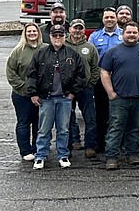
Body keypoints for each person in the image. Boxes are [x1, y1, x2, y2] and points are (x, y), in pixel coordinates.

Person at [99, 22, 139, 170]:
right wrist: (110, 92)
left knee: (135, 128)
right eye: (129, 33)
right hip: (119, 98)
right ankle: (112, 157)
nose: (132, 35)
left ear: (138, 34)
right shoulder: (113, 52)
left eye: (134, 32)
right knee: (116, 128)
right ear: (122, 34)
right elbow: (104, 72)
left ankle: (132, 154)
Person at [27, 24, 88, 170]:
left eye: (60, 35)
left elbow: (81, 75)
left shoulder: (73, 54)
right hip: (46, 98)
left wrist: (73, 92)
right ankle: (40, 156)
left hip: (64, 98)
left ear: (64, 36)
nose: (58, 38)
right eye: (55, 35)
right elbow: (32, 74)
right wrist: (33, 93)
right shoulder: (40, 54)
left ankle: (63, 155)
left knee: (63, 129)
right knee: (43, 129)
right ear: (50, 37)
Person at [6, 23, 45, 162]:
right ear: (25, 34)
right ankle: (25, 150)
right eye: (29, 31)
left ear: (38, 33)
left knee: (39, 123)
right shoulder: (18, 51)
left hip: (41, 94)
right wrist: (24, 87)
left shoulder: (45, 49)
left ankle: (37, 148)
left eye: (34, 31)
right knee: (24, 122)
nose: (32, 34)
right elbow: (11, 73)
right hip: (21, 94)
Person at [64, 19, 101, 159]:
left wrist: (91, 83)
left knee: (90, 118)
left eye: (80, 28)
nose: (77, 31)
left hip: (85, 88)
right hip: (67, 88)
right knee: (67, 118)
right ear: (70, 29)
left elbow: (95, 67)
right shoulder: (63, 45)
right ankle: (69, 145)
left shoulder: (90, 47)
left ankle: (90, 146)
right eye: (75, 28)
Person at [89, 8, 123, 154]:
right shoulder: (95, 37)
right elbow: (91, 60)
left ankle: (120, 144)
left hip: (120, 80)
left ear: (116, 18)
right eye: (106, 17)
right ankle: (101, 144)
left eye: (112, 17)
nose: (109, 19)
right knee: (101, 113)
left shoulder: (124, 34)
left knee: (119, 114)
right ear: (103, 19)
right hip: (101, 80)